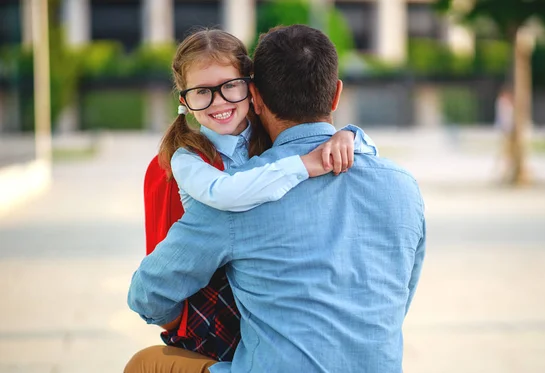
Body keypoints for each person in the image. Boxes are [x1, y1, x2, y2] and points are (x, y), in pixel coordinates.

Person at [127, 25, 425, 373]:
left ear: (254, 97)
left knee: (143, 364)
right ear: (336, 95)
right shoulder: (403, 186)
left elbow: (147, 297)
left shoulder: (237, 195)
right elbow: (399, 296)